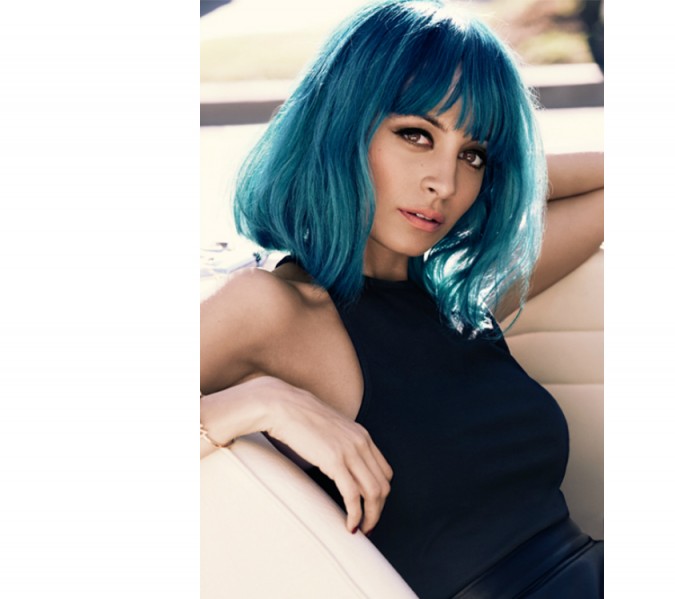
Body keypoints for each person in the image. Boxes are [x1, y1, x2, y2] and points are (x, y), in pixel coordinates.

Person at [200, 0, 604, 597]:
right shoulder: (273, 308)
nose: (445, 183)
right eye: (416, 134)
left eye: (473, 154)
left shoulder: (458, 295)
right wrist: (259, 403)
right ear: (340, 126)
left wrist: (498, 178)